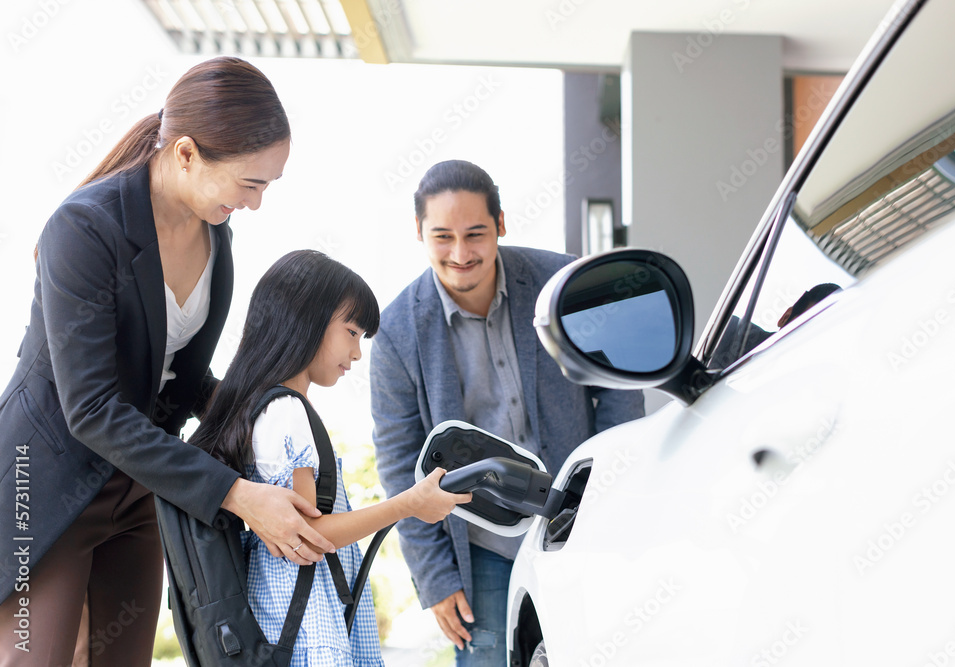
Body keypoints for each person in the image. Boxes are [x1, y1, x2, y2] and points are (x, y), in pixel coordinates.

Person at [0, 57, 334, 666]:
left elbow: (183, 380)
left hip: (142, 480)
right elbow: (93, 409)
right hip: (44, 481)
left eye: (267, 186)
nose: (256, 204)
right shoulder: (83, 228)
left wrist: (267, 404)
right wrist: (237, 494)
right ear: (185, 154)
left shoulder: (217, 240)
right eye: (249, 184)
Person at [370, 160, 646, 665]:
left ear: (500, 222)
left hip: (580, 518)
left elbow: (617, 388)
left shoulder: (561, 282)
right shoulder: (396, 332)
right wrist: (435, 578)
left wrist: (607, 490)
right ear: (418, 232)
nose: (460, 254)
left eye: (475, 233)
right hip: (482, 546)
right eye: (442, 237)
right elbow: (398, 463)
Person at [189, 249, 472, 666]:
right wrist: (409, 503)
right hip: (306, 623)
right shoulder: (286, 411)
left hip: (285, 616)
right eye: (352, 332)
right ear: (307, 319)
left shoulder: (263, 407)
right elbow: (307, 535)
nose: (357, 354)